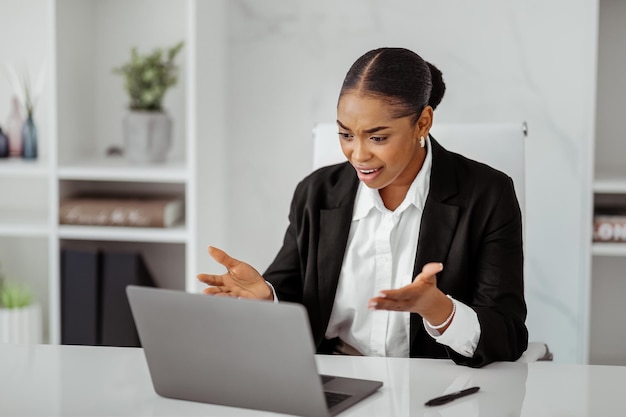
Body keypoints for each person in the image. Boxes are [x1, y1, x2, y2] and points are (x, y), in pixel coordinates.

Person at [197, 47, 528, 368]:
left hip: (435, 390)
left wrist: (439, 310)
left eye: (377, 138)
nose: (358, 154)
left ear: (423, 123)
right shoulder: (316, 194)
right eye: (345, 134)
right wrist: (267, 299)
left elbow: (508, 335)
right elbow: (293, 298)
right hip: (334, 378)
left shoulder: (487, 195)